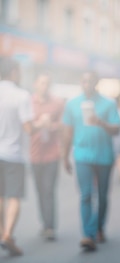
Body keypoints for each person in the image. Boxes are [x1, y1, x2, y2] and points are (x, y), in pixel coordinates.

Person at [62, 70, 120, 251]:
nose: (87, 84)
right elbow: (67, 131)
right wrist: (64, 156)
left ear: (97, 82)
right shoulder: (72, 104)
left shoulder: (108, 104)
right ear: (81, 82)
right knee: (86, 195)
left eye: (91, 81)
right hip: (82, 156)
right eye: (84, 80)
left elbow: (116, 129)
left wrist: (100, 122)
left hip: (104, 156)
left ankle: (99, 227)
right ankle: (88, 234)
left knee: (102, 196)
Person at [0, 58, 33, 257]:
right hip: (13, 155)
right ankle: (8, 235)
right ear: (13, 72)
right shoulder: (21, 95)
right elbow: (28, 128)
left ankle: (3, 234)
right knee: (13, 197)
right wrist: (42, 124)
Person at [29, 72, 64, 241]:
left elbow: (64, 125)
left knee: (49, 190)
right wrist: (38, 124)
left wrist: (51, 125)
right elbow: (25, 126)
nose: (45, 86)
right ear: (36, 84)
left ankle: (50, 226)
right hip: (34, 154)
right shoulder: (29, 103)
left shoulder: (57, 103)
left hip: (52, 155)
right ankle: (44, 223)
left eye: (47, 83)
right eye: (42, 82)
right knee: (40, 191)